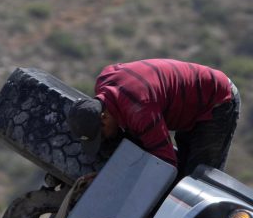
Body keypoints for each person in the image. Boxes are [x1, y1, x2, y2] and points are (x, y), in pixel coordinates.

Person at [66, 58, 241, 179]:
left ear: (103, 117)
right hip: (189, 103)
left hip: (217, 100)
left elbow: (165, 165)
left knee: (197, 179)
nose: (105, 138)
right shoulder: (104, 81)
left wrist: (111, 180)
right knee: (182, 170)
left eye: (101, 135)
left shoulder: (139, 110)